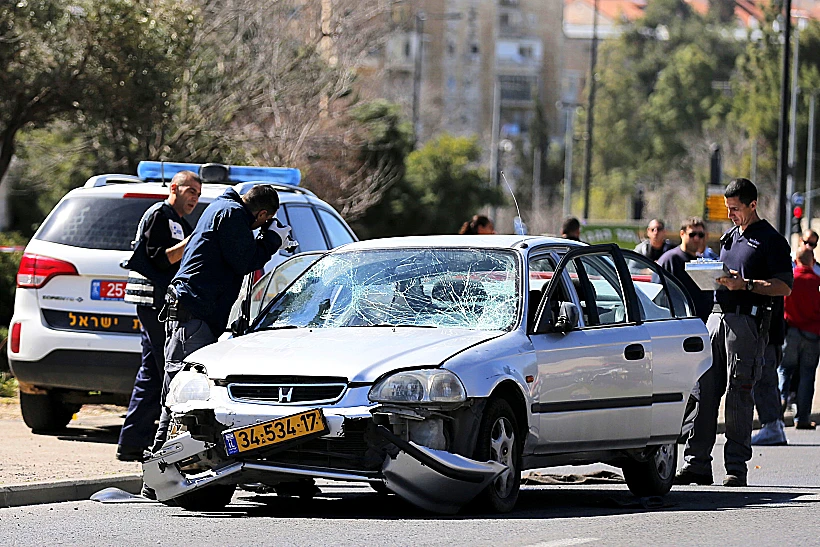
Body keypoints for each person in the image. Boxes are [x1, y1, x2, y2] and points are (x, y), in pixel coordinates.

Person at [151, 184, 292, 454]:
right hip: (193, 314)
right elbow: (245, 260)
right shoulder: (232, 215)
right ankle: (159, 460)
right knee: (180, 389)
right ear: (262, 214)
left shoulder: (223, 207)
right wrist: (272, 240)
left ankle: (173, 459)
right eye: (266, 220)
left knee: (186, 388)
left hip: (195, 312)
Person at [675, 178, 792, 487]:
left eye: (736, 209)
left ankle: (736, 467)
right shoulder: (729, 237)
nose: (731, 214)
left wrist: (748, 285)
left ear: (753, 205)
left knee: (739, 395)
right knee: (703, 393)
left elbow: (784, 286)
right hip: (716, 319)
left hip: (747, 325)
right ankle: (697, 463)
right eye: (728, 209)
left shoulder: (771, 240)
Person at [116, 171, 201, 462]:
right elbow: (158, 259)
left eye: (198, 194)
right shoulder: (159, 215)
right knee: (162, 369)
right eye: (191, 190)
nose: (194, 197)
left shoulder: (178, 222)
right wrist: (193, 242)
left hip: (161, 304)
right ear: (174, 188)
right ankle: (148, 443)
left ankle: (131, 445)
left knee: (151, 373)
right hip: (152, 303)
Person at [777, 247, 820, 430]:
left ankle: (778, 408)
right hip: (812, 334)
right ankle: (802, 417)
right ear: (812, 261)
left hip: (792, 332)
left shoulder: (790, 280)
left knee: (784, 371)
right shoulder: (817, 281)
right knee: (807, 375)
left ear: (796, 260)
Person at [657, 217, 713, 322]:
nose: (696, 239)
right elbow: (658, 294)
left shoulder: (702, 262)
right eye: (692, 234)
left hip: (700, 323)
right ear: (682, 234)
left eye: (700, 235)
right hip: (677, 323)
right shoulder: (670, 260)